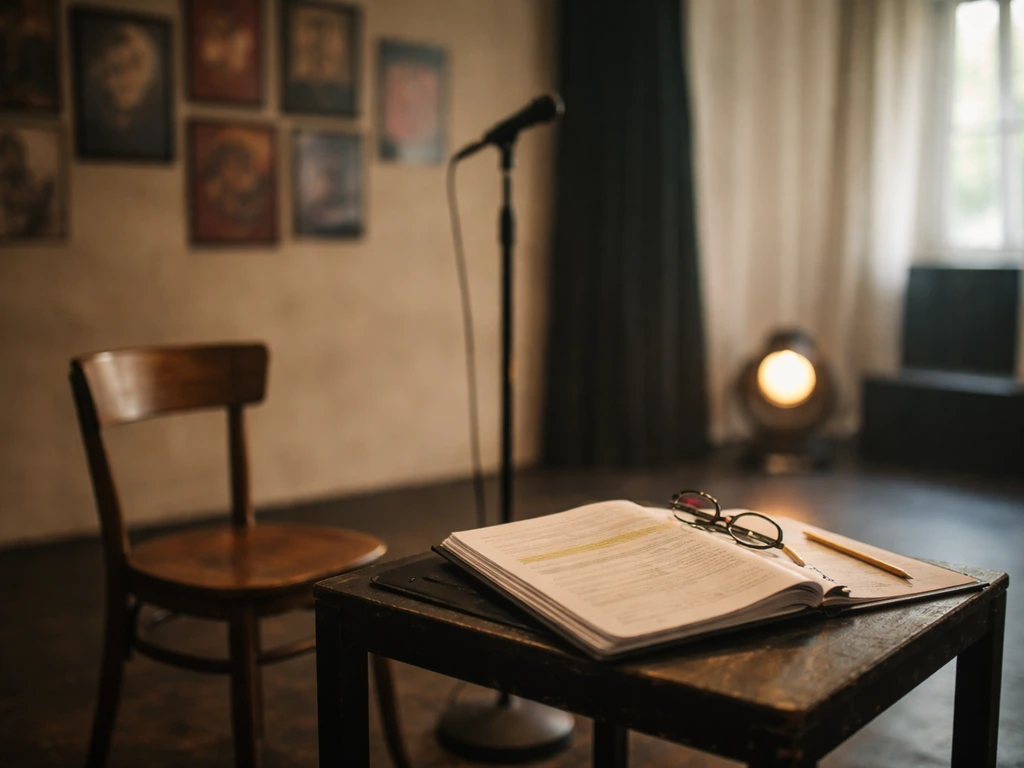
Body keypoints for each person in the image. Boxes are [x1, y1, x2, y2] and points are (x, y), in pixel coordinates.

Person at [0, 130, 54, 238]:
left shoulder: (28, 178)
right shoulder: (4, 182)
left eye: (17, 154)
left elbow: (35, 199)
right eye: (10, 154)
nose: (15, 159)